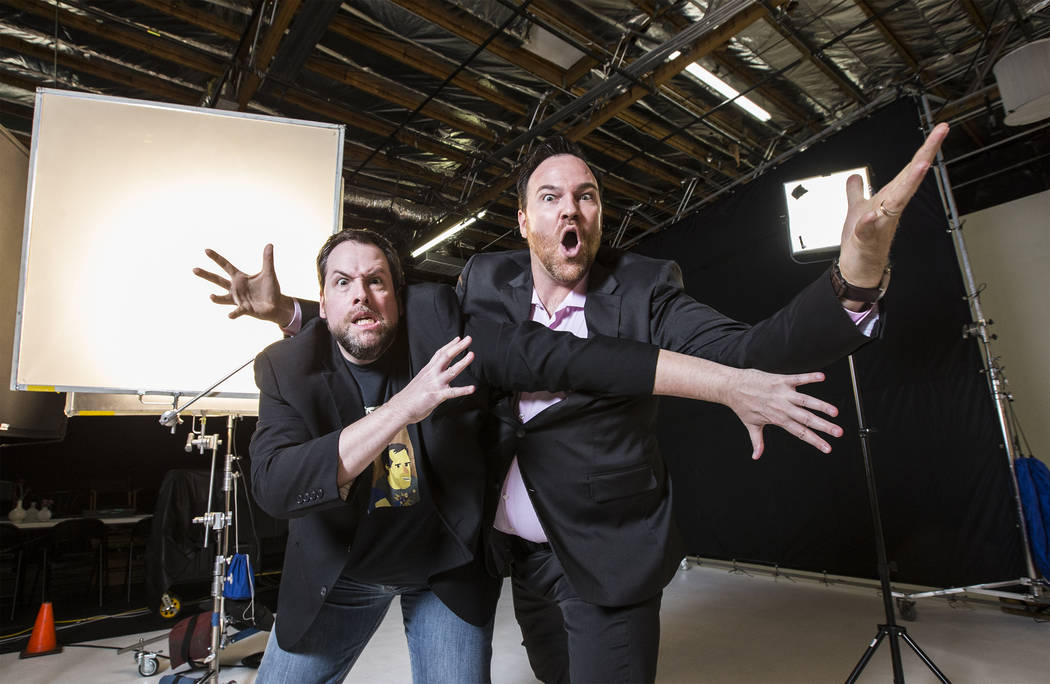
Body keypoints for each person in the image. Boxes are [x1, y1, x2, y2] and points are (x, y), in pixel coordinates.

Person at [228, 228, 844, 684]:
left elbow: (574, 359)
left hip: (442, 568)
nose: (362, 295)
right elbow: (277, 485)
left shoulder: (440, 325)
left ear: (398, 292)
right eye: (343, 283)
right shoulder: (285, 366)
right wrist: (402, 408)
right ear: (322, 300)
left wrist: (727, 385)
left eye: (377, 281)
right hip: (345, 571)